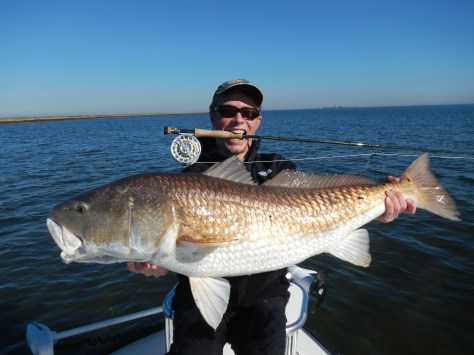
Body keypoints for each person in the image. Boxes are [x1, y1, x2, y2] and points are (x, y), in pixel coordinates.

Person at [128, 79, 416, 355]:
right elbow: (174, 254)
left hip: (264, 297)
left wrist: (380, 206)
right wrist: (156, 266)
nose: (239, 120)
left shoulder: (279, 168)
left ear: (258, 121)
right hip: (197, 297)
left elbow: (324, 207)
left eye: (249, 112)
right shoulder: (189, 181)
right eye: (228, 111)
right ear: (213, 117)